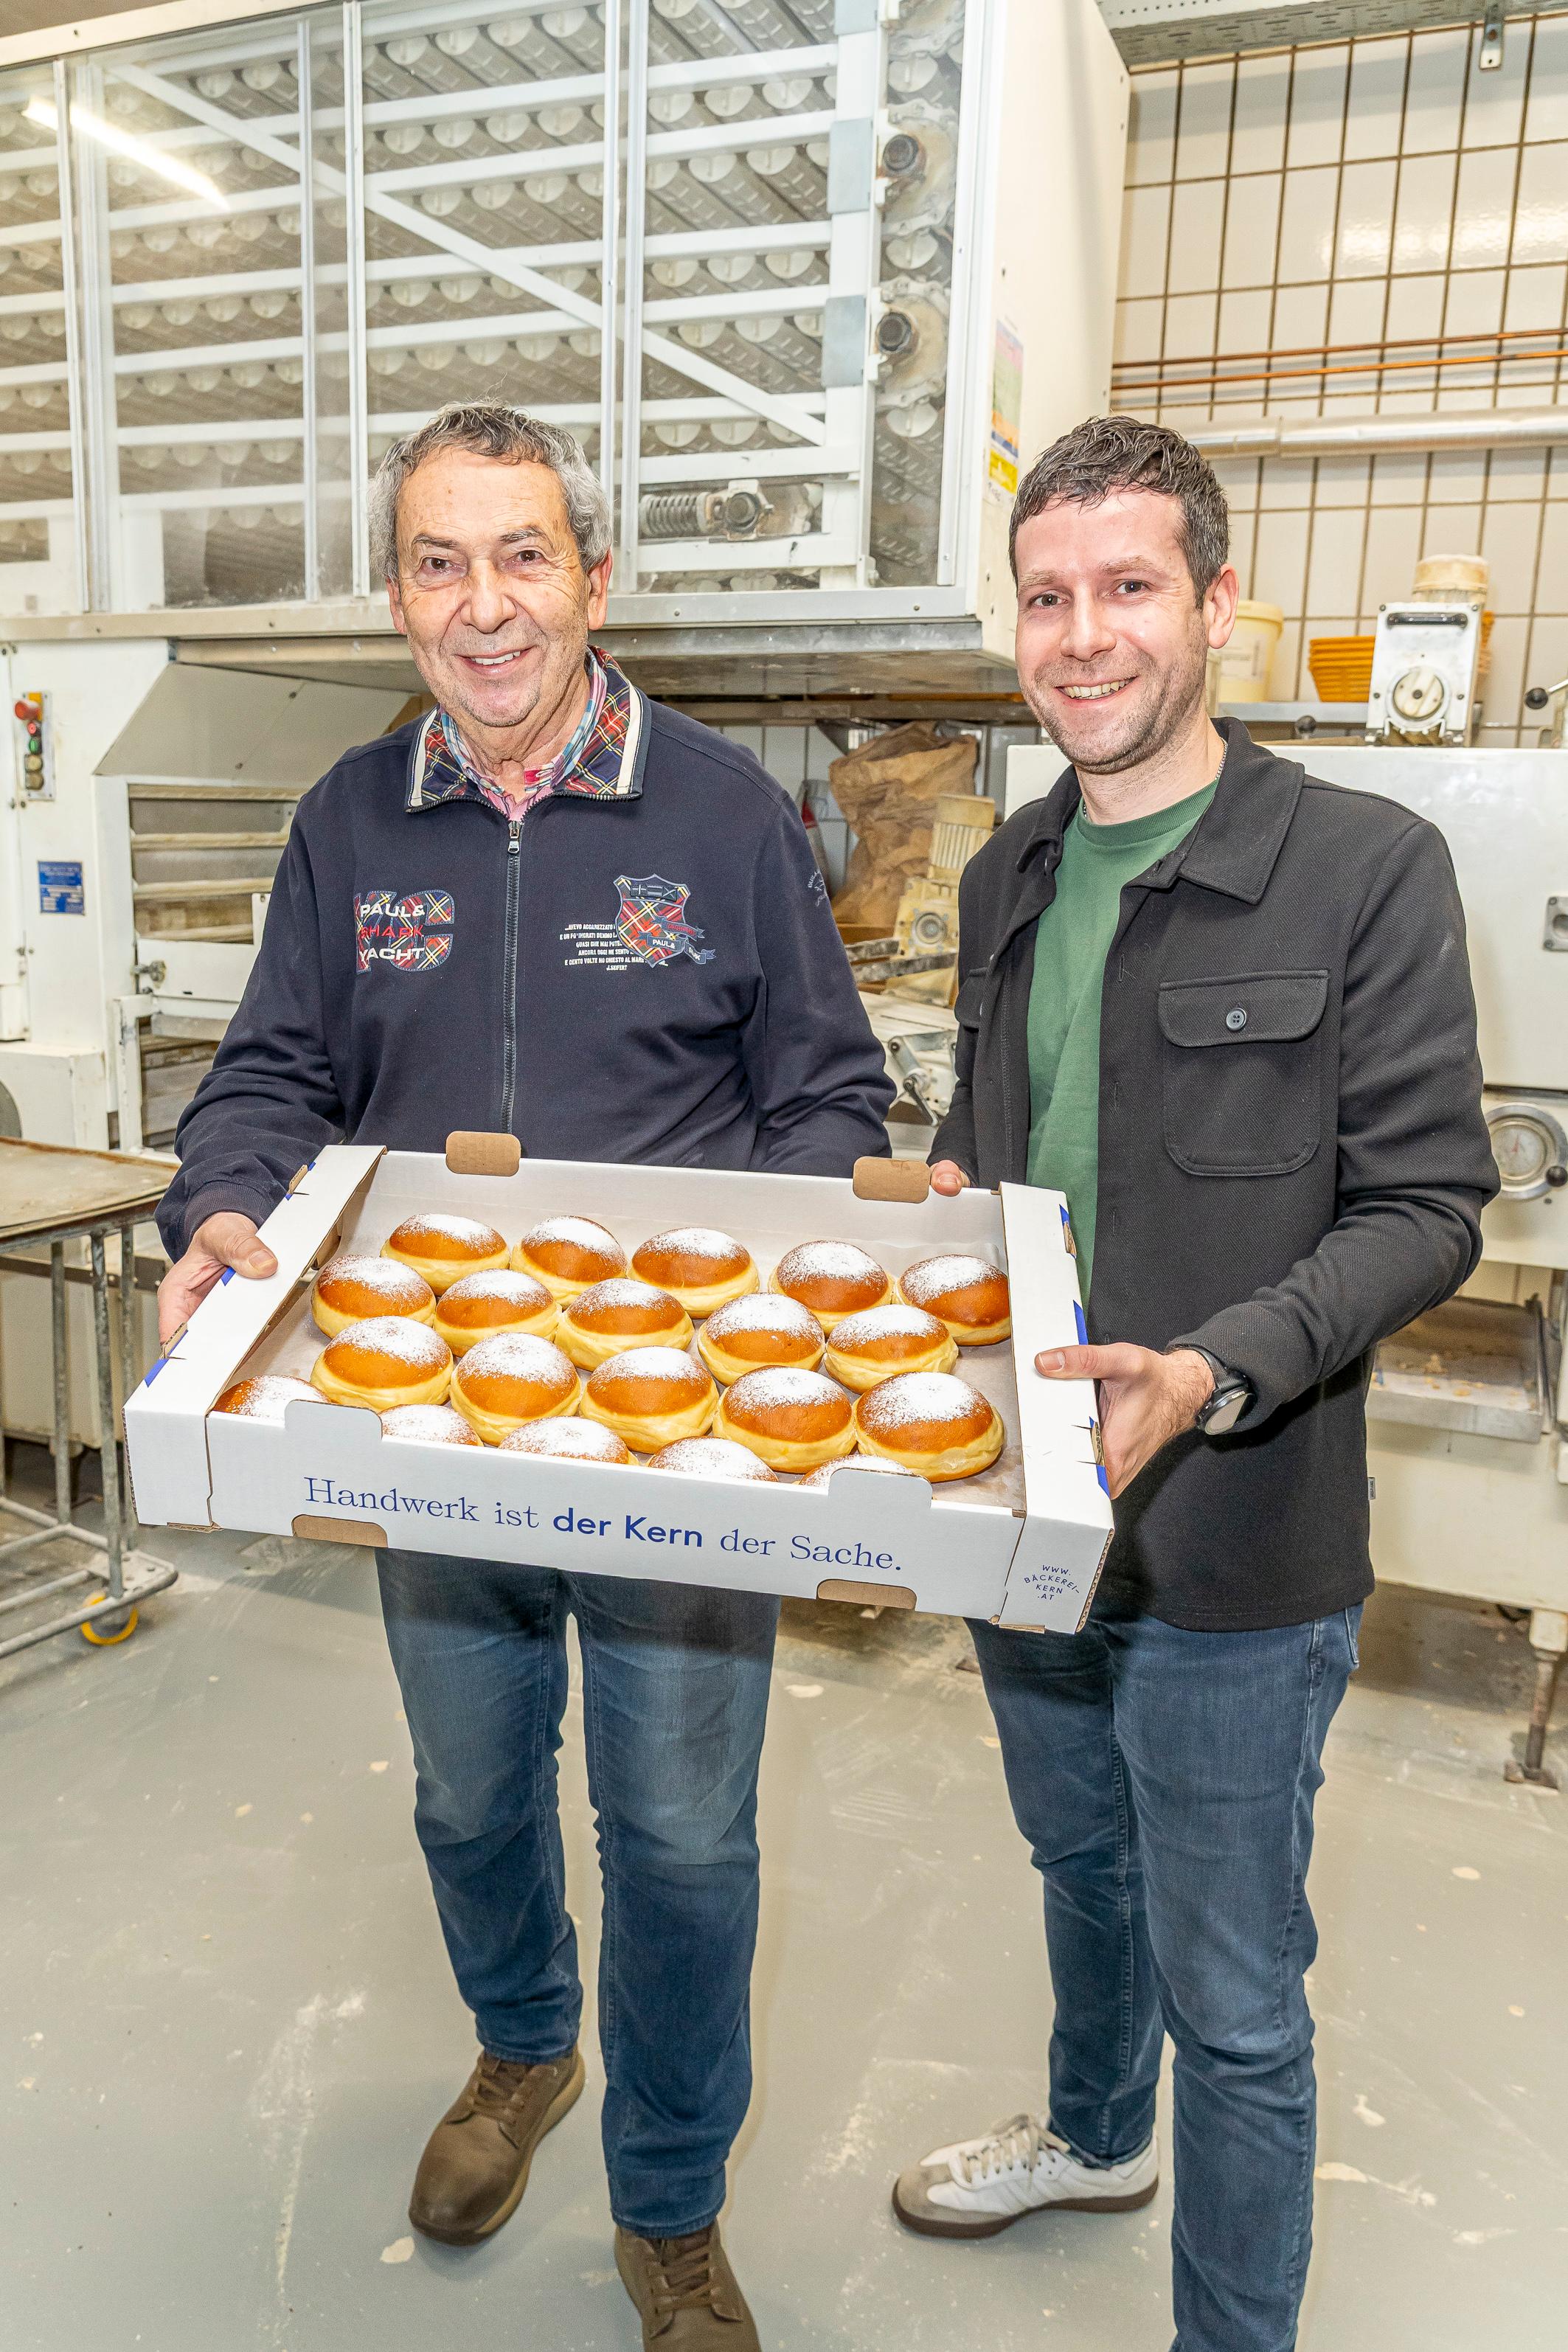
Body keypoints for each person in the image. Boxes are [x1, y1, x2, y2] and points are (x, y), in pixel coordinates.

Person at [156, 401, 895, 2352]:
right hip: (432, 1431)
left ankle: (669, 2206)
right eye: (439, 561)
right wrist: (224, 1207)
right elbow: (268, 1075)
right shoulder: (347, 822)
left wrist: (772, 1285)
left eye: (524, 556)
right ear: (396, 593)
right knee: (474, 1792)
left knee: (676, 1834)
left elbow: (827, 1088)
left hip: (674, 1435)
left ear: (593, 576)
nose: (486, 607)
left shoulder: (726, 814)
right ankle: (520, 2049)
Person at [889, 416, 1497, 2351]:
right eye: (1049, 597)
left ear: (1216, 606)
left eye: (1130, 587)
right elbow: (1012, 1156)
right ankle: (1091, 2136)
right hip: (1034, 1510)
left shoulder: (1363, 872)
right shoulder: (1006, 873)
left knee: (1236, 1992)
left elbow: (1430, 1205)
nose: (1085, 637)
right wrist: (925, 1232)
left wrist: (1222, 1366)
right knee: (1079, 1861)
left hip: (1242, 1536)